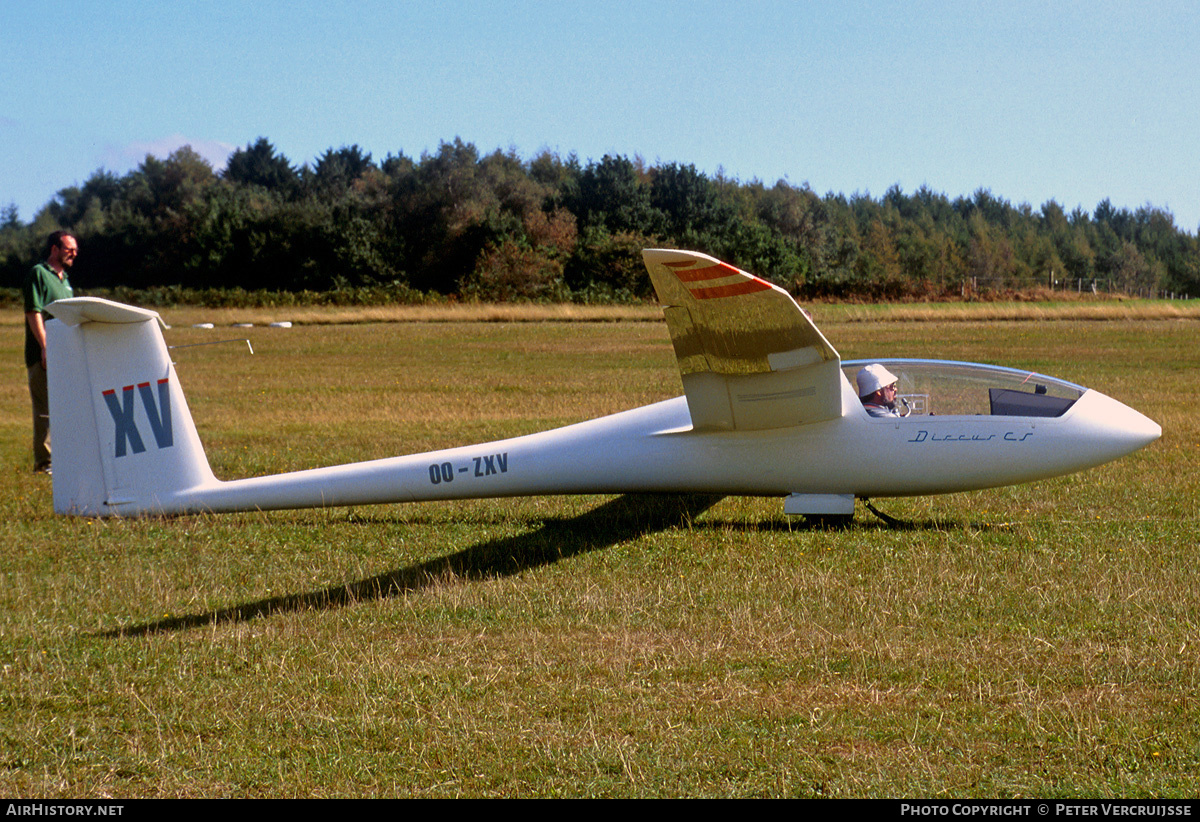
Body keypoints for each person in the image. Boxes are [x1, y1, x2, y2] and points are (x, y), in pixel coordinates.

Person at [23, 230, 77, 474]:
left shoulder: (65, 281)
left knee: (65, 408)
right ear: (54, 249)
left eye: (75, 249)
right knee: (45, 410)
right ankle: (45, 464)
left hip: (65, 354)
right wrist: (45, 347)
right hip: (43, 355)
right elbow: (34, 312)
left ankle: (64, 460)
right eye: (69, 248)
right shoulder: (39, 274)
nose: (74, 253)